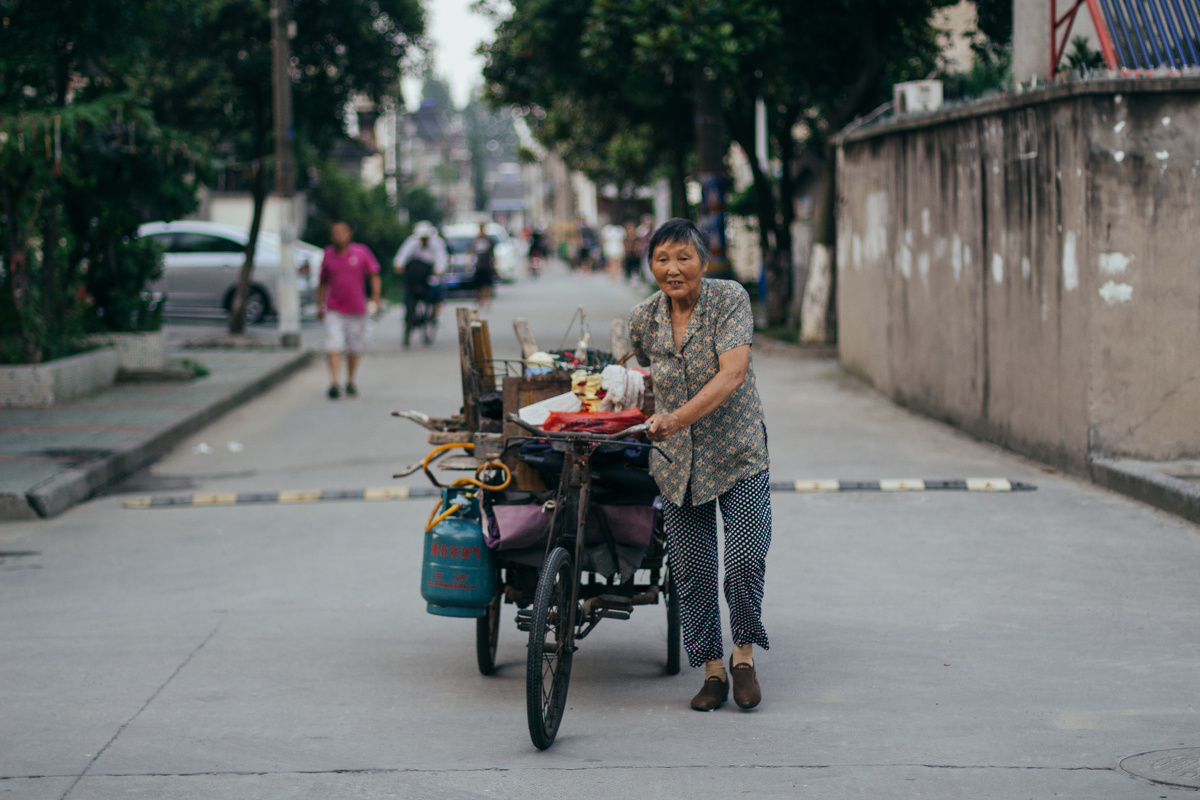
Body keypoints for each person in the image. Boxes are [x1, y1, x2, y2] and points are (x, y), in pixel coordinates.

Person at [628, 218, 771, 712]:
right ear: (650, 264)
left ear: (703, 263)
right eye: (662, 259)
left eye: (683, 258)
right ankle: (712, 669)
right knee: (692, 569)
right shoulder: (643, 318)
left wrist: (675, 420)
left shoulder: (729, 299)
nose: (672, 269)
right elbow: (638, 377)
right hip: (676, 464)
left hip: (737, 453)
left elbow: (733, 374)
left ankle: (744, 658)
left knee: (745, 558)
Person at [317, 221, 381, 399]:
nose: (338, 237)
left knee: (354, 346)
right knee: (333, 343)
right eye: (335, 233)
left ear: (349, 234)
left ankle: (350, 380)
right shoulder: (328, 255)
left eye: (341, 233)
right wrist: (319, 305)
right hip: (334, 308)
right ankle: (334, 382)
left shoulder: (361, 253)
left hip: (357, 309)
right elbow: (322, 282)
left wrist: (375, 296)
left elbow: (374, 275)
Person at [393, 220, 448, 347]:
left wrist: (438, 271)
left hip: (429, 276)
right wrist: (399, 265)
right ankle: (409, 322)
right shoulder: (412, 242)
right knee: (408, 297)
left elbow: (441, 259)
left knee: (436, 292)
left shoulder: (436, 243)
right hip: (415, 277)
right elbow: (402, 255)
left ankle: (434, 313)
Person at [470, 222, 496, 309]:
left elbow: (493, 253)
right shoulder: (475, 240)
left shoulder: (489, 240)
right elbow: (471, 252)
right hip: (478, 265)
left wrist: (494, 263)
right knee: (478, 286)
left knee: (487, 285)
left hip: (487, 265)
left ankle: (487, 301)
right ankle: (479, 300)